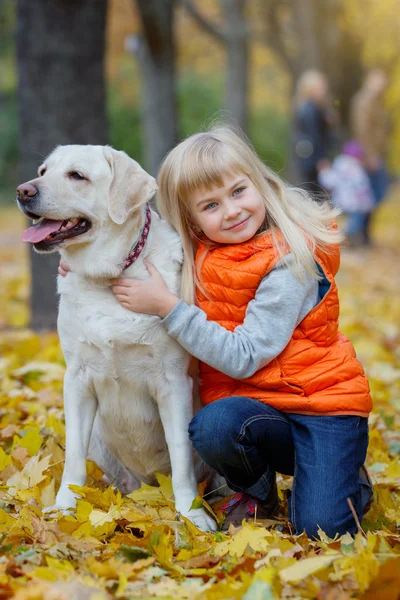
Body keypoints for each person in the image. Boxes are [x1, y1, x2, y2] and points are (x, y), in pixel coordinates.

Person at [59, 126, 373, 538]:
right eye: (210, 205)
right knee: (211, 425)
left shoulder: (289, 261)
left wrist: (168, 308)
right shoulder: (201, 247)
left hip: (322, 409)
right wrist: (78, 262)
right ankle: (257, 494)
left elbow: (243, 356)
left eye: (239, 191)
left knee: (322, 527)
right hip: (259, 409)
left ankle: (347, 475)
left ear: (258, 182)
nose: (231, 211)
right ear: (192, 220)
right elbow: (132, 240)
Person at [350, 69, 390, 245]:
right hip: (369, 156)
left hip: (376, 154)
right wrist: (370, 156)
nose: (382, 83)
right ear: (370, 79)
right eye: (379, 79)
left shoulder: (376, 101)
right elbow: (363, 130)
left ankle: (363, 233)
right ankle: (353, 231)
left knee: (371, 195)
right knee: (368, 195)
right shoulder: (364, 101)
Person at [318, 140, 375, 246]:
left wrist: (323, 172)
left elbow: (330, 181)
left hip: (340, 200)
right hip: (356, 202)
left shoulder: (338, 165)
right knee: (356, 221)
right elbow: (361, 185)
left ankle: (343, 236)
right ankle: (349, 236)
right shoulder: (356, 168)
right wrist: (367, 202)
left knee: (344, 220)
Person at [292, 70, 337, 197]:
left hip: (308, 159)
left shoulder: (310, 107)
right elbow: (315, 136)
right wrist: (321, 159)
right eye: (319, 87)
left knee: (313, 194)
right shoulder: (310, 109)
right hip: (313, 160)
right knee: (316, 195)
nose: (323, 91)